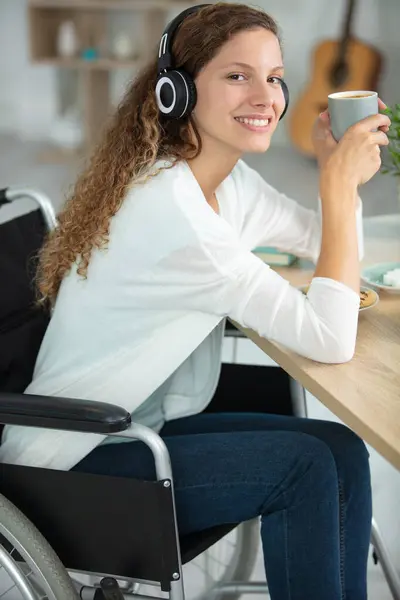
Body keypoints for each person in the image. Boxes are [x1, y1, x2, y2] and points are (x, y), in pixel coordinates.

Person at [0, 3, 391, 599]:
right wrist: (337, 186)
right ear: (176, 91)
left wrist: (337, 185)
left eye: (275, 76)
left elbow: (325, 243)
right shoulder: (173, 212)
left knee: (337, 446)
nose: (266, 95)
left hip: (138, 428)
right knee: (306, 468)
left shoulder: (221, 181)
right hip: (76, 465)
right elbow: (330, 339)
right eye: (237, 75)